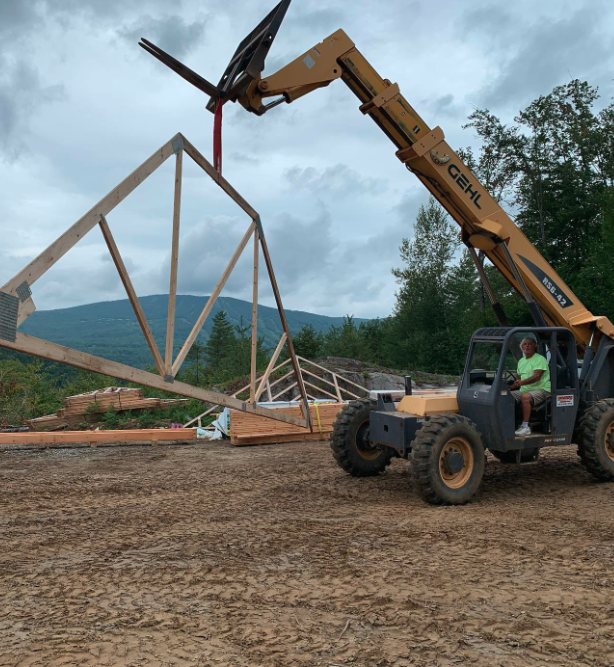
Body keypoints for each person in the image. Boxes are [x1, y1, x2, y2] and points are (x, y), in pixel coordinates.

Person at [510, 336, 551, 436]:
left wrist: (522, 383)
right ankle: (512, 424)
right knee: (506, 396)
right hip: (525, 389)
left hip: (542, 389)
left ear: (534, 346)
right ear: (521, 347)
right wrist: (509, 388)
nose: (527, 346)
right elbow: (518, 380)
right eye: (525, 344)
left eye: (529, 344)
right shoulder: (521, 361)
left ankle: (525, 426)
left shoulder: (539, 359)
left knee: (525, 397)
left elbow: (537, 376)